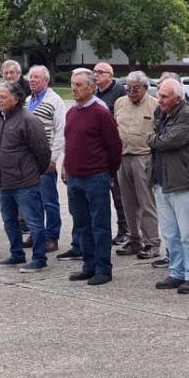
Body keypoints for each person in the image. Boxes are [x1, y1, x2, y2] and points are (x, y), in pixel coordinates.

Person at [63, 68, 123, 286]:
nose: (74, 88)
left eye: (79, 85)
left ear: (91, 87)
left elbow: (114, 146)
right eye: (72, 84)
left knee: (100, 224)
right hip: (74, 177)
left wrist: (108, 171)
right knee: (81, 224)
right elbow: (70, 143)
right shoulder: (71, 112)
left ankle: (103, 268)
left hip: (95, 176)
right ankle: (88, 266)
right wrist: (66, 166)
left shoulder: (100, 112)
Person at [148, 78, 189, 294]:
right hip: (163, 181)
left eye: (164, 96)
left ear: (178, 98)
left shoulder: (187, 115)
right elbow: (158, 137)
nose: (159, 100)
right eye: (159, 95)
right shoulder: (162, 113)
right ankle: (177, 272)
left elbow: (166, 141)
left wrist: (153, 138)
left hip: (183, 182)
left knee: (188, 233)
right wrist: (155, 137)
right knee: (171, 233)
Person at [0, 82, 52, 273]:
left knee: (33, 221)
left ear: (16, 99)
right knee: (9, 221)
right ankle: (16, 253)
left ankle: (39, 258)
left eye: (3, 97)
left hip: (25, 181)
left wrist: (35, 172)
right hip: (4, 181)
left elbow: (42, 151)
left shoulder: (29, 120)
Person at [114, 71, 162, 260]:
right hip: (123, 157)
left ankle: (152, 242)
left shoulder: (155, 105)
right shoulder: (120, 103)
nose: (131, 92)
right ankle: (134, 239)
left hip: (144, 157)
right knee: (128, 203)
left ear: (145, 88)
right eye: (128, 88)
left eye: (135, 89)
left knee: (146, 203)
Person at [22, 65, 66, 253]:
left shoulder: (55, 101)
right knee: (31, 200)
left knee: (49, 201)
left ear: (46, 81)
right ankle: (36, 233)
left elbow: (61, 131)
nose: (32, 80)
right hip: (26, 160)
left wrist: (53, 158)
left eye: (36, 77)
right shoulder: (26, 101)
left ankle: (51, 237)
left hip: (44, 160)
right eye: (30, 77)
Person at [93, 61, 130, 246]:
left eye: (100, 72)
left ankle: (125, 229)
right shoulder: (94, 94)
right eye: (95, 72)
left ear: (110, 74)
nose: (96, 75)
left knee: (119, 194)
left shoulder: (119, 93)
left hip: (116, 149)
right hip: (98, 151)